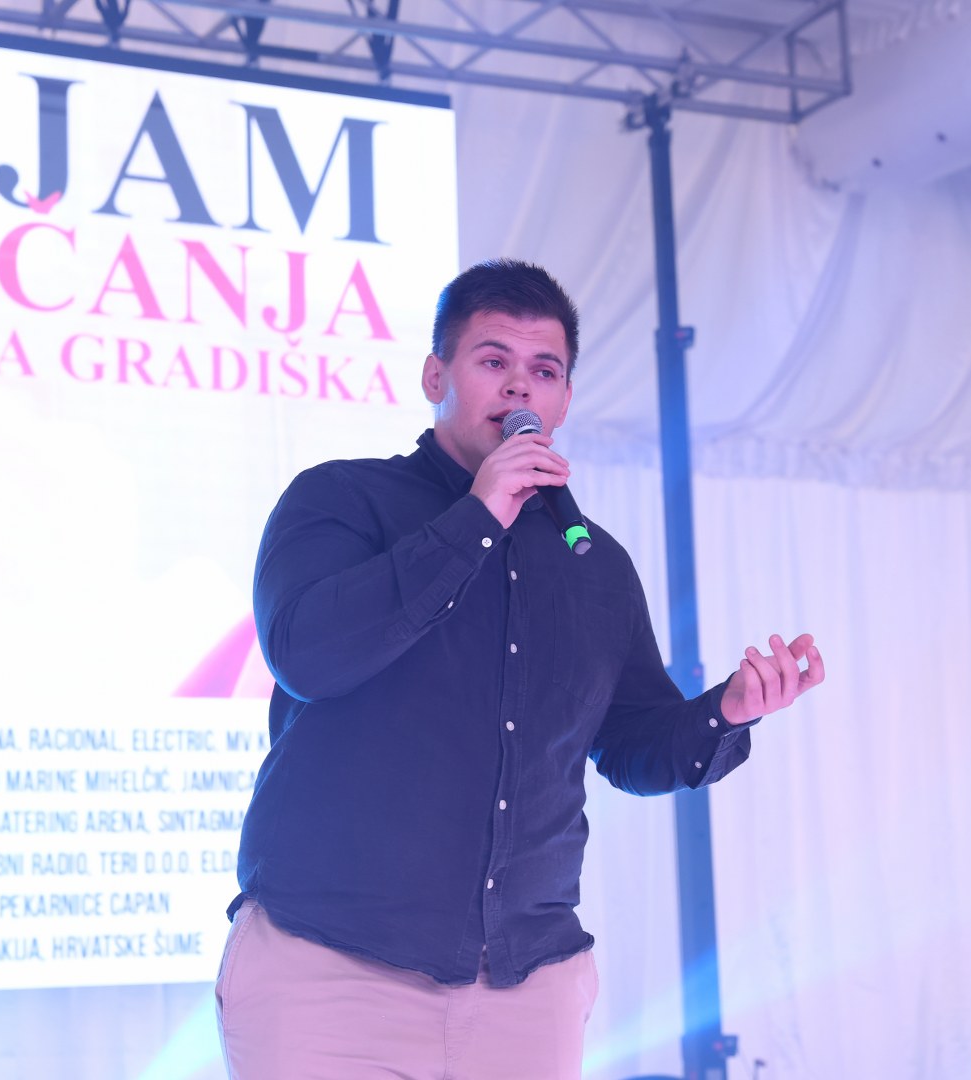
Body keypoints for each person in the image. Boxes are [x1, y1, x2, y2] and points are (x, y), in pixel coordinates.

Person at [216, 259, 824, 1079]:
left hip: (525, 984)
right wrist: (478, 516)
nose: (518, 387)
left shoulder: (591, 561)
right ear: (436, 376)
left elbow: (632, 748)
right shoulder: (341, 501)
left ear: (564, 401)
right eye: (493, 360)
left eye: (544, 370)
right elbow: (308, 656)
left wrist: (728, 710)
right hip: (330, 970)